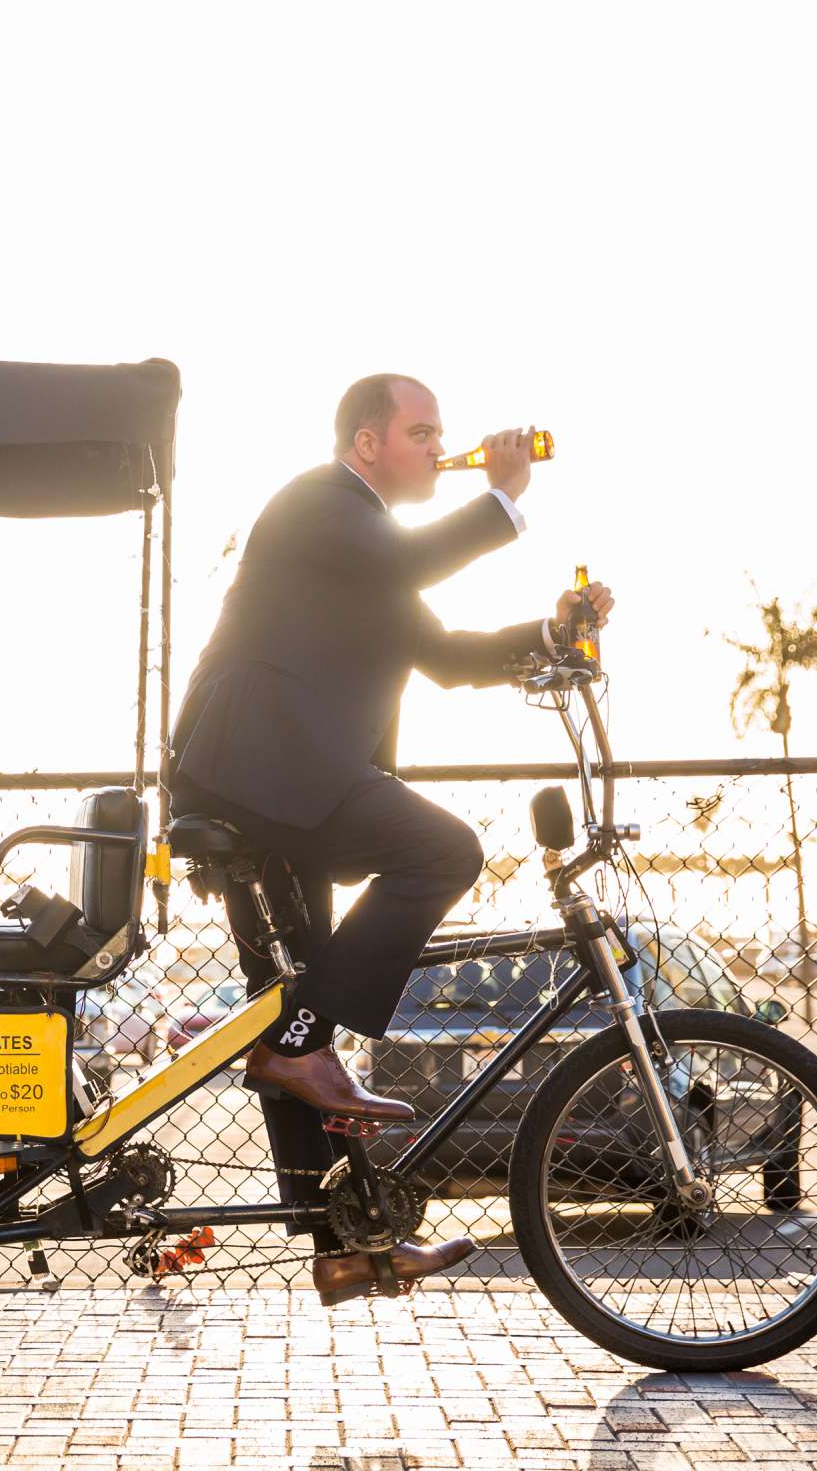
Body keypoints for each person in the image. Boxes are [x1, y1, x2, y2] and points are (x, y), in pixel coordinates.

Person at [167, 372, 615, 1306]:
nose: (436, 447)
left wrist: (552, 630)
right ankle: (300, 1050)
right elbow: (406, 565)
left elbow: (447, 659)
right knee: (442, 852)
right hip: (260, 770)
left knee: (294, 1015)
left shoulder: (365, 555)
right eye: (422, 433)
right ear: (366, 443)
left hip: (286, 781)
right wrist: (500, 497)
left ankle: (344, 1247)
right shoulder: (319, 505)